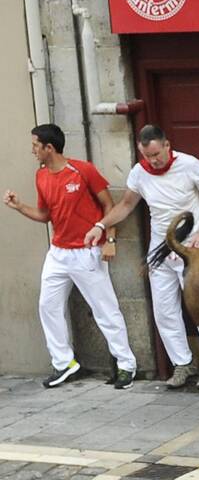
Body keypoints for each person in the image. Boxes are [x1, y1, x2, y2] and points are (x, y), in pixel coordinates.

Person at [82, 125, 199, 391]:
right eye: (148, 156)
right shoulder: (140, 173)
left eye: (157, 154)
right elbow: (126, 205)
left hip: (192, 245)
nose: (154, 161)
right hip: (160, 249)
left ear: (167, 146)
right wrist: (101, 226)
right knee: (164, 309)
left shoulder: (189, 165)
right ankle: (182, 363)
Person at [3, 125, 138, 390]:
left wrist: (109, 240)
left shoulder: (83, 170)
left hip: (87, 252)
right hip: (58, 253)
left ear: (48, 148)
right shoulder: (41, 176)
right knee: (47, 306)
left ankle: (126, 365)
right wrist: (19, 207)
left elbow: (109, 207)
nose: (32, 150)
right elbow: (45, 215)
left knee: (105, 310)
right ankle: (65, 363)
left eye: (35, 145)